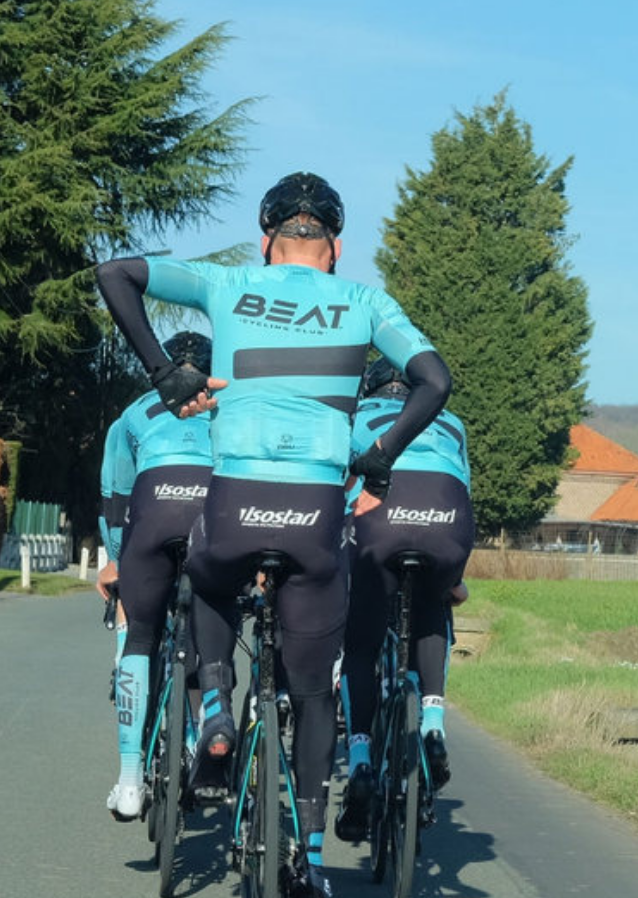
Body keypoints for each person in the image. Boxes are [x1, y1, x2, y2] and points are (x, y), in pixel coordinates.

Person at [95, 172, 452, 898]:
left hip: (234, 506)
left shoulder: (227, 286)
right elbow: (435, 382)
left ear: (266, 242)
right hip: (315, 517)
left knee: (209, 582)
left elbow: (115, 273)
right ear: (336, 248)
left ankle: (218, 709)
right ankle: (311, 858)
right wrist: (379, 459)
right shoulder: (364, 302)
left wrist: (165, 374)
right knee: (314, 690)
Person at [334, 359, 475, 843]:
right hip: (447, 517)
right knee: (439, 603)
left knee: (360, 643)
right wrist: (454, 578)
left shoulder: (352, 417)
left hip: (380, 521)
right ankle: (432, 723)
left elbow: (336, 495)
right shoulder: (450, 422)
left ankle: (358, 761)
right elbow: (465, 488)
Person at [94, 331, 214, 821]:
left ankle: (128, 781)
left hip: (151, 515)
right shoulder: (223, 406)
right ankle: (207, 737)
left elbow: (114, 499)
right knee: (214, 629)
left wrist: (119, 561)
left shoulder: (133, 413)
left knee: (139, 635)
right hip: (213, 520)